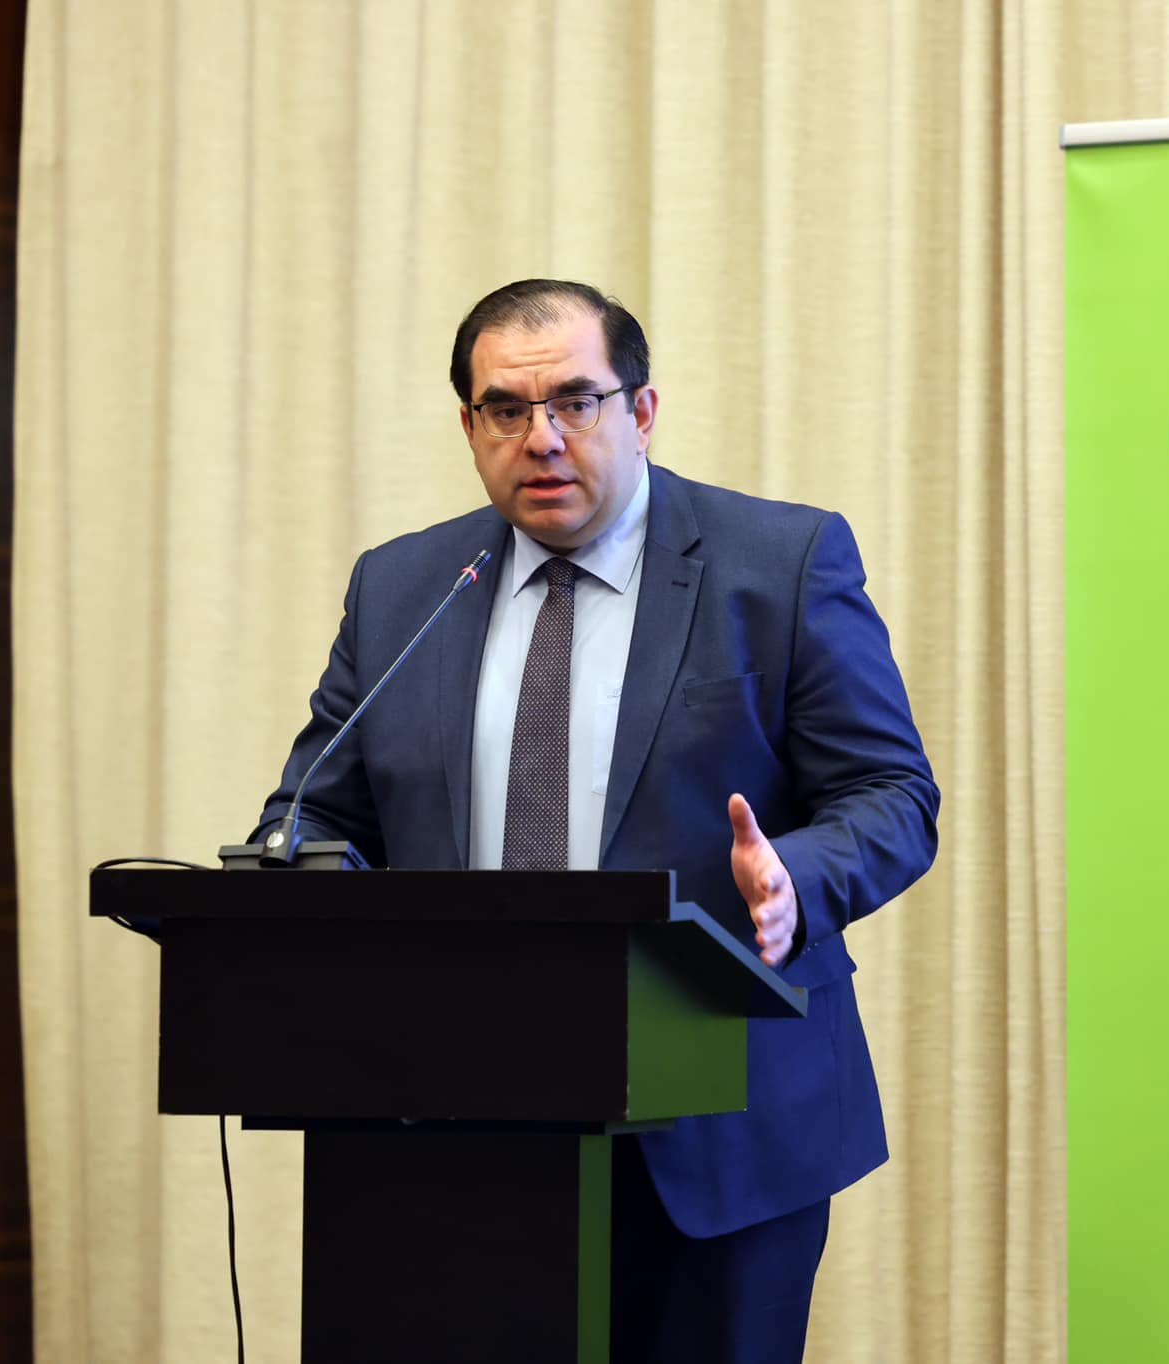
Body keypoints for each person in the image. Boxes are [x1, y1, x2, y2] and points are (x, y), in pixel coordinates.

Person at [250, 278, 940, 1362]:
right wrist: (294, 888)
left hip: (717, 1127)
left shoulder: (780, 563)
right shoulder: (404, 587)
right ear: (469, 426)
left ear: (642, 411)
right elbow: (317, 811)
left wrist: (795, 880)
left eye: (576, 401)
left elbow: (893, 793)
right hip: (457, 1123)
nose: (542, 437)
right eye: (506, 409)